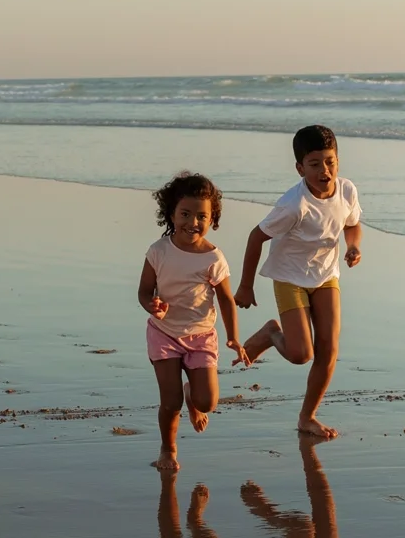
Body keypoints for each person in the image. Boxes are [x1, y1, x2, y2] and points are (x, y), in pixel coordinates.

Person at [237, 125, 363, 439]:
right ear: (299, 168)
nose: (325, 170)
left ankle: (308, 417)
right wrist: (246, 285)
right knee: (300, 354)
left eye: (330, 161)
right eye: (315, 163)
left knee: (329, 350)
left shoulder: (346, 190)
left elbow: (352, 224)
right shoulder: (294, 205)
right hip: (290, 277)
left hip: (325, 276)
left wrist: (353, 246)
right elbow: (256, 237)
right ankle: (270, 332)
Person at [139, 172, 249, 472]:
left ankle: (193, 395)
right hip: (164, 333)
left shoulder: (213, 257)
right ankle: (168, 448)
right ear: (171, 213)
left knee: (208, 401)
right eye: (185, 214)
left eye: (202, 216)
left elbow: (226, 299)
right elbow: (144, 292)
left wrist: (233, 338)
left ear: (212, 218)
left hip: (201, 336)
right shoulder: (158, 251)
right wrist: (153, 305)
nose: (193, 222)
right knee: (170, 402)